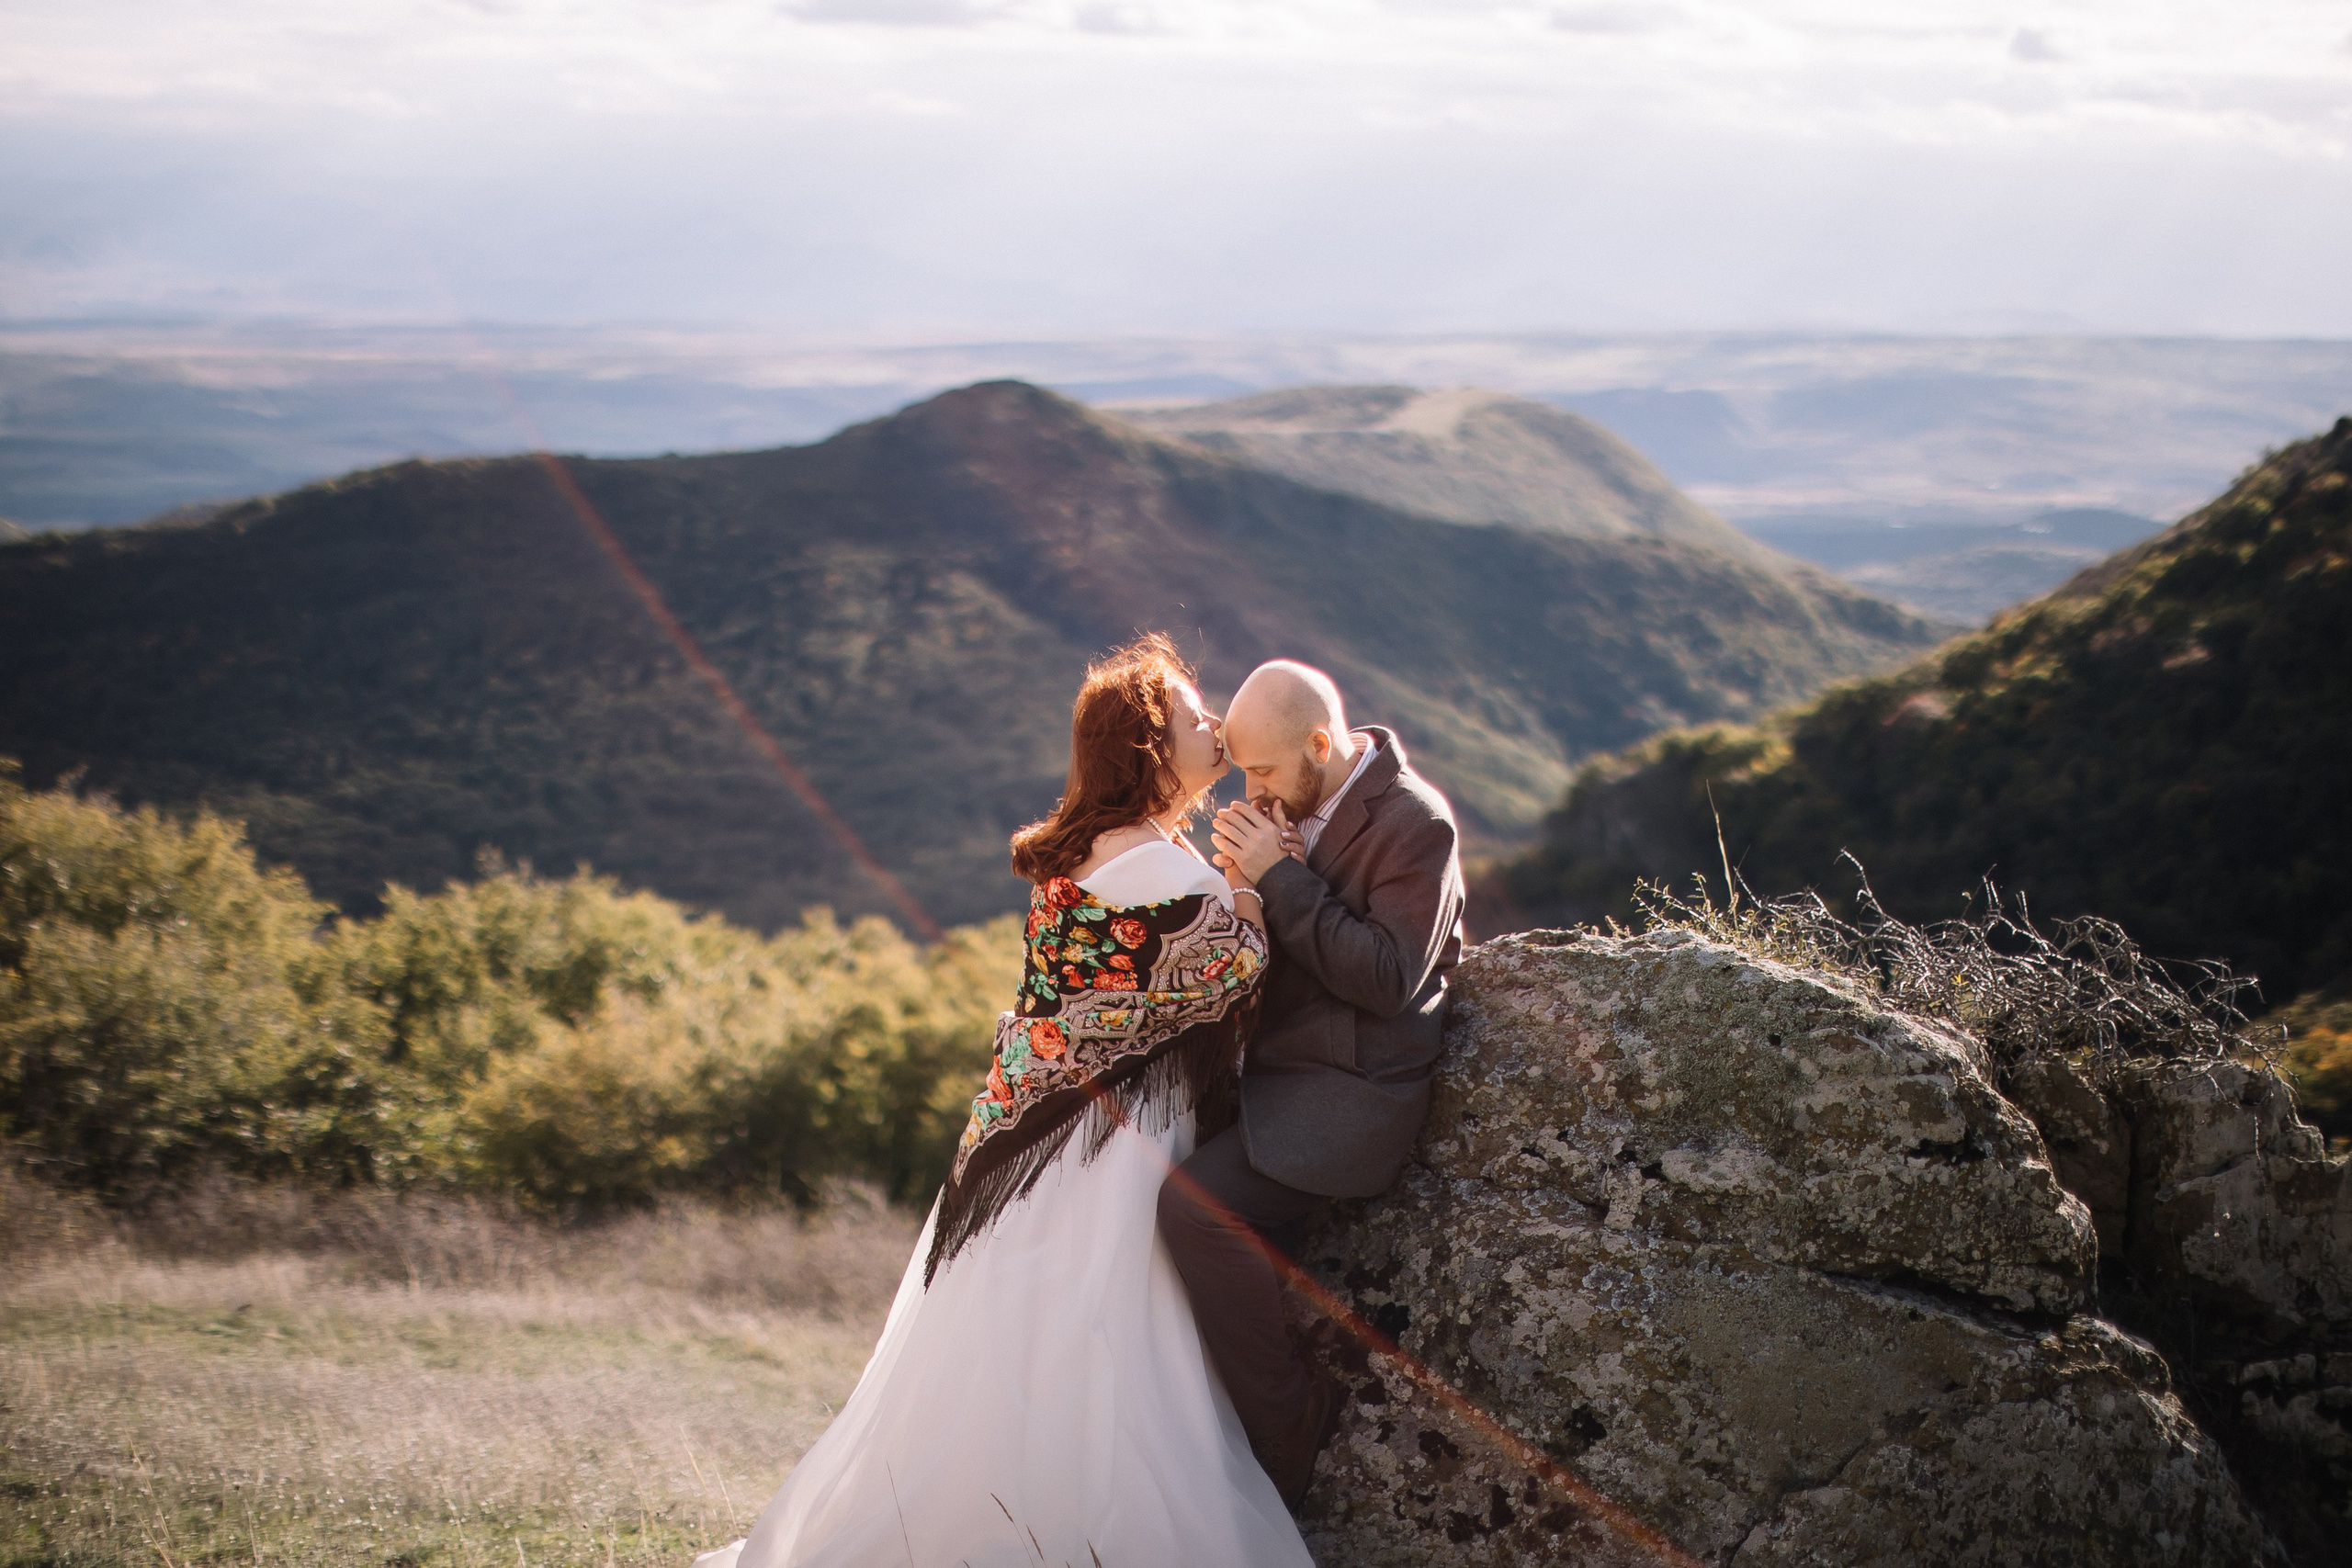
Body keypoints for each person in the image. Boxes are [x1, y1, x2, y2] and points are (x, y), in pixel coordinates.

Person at [697, 635, 1315, 1568]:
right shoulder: (1148, 861)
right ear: (1150, 747)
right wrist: (1263, 881)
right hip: (1102, 1145)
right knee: (1096, 1340)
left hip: (1056, 1132)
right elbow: (1235, 967)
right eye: (1194, 716)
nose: (1215, 726)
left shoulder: (1110, 849)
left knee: (1037, 1344)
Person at [1164, 660, 1466, 1507]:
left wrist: (1281, 877)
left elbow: (1386, 978)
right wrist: (1237, 889)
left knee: (1189, 1206)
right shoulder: (1284, 802)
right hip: (1275, 1069)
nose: (1251, 788)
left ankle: (1290, 1423)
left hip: (1349, 1089)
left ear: (1322, 745)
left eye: (1262, 771)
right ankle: (1200, 1431)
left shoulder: (1418, 824)